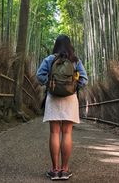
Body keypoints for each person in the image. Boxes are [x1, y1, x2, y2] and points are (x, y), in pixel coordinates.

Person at [36, 34, 88, 180]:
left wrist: (51, 84)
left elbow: (39, 76)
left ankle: (54, 170)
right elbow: (84, 80)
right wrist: (72, 85)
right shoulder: (75, 60)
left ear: (56, 45)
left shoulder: (49, 59)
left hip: (53, 98)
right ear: (70, 45)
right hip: (70, 99)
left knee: (54, 133)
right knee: (67, 133)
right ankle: (64, 171)